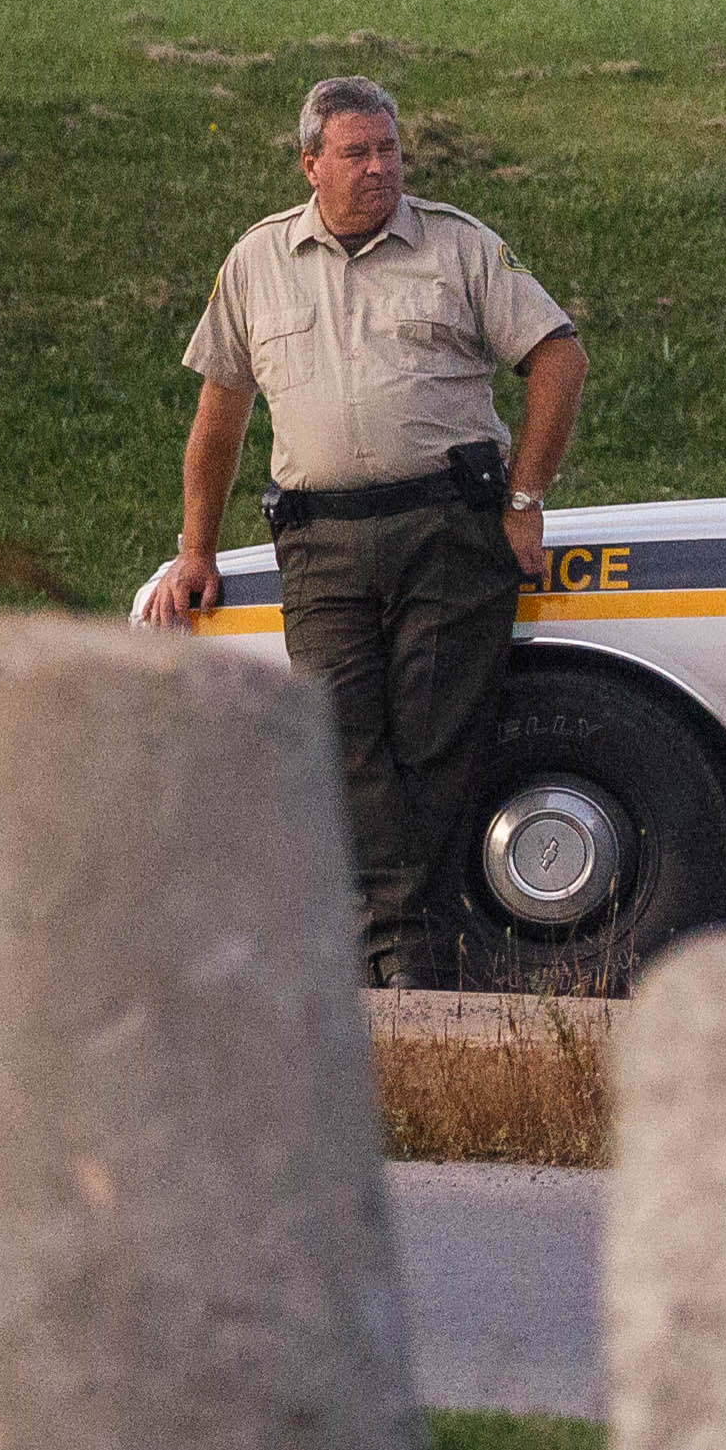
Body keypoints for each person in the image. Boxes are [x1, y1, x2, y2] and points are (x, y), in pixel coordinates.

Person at [143, 76, 586, 982]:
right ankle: (411, 951)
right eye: (357, 153)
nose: (379, 167)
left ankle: (395, 964)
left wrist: (526, 501)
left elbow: (559, 357)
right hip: (321, 543)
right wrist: (195, 549)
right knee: (340, 742)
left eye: (389, 149)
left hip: (449, 533)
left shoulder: (460, 246)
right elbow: (217, 421)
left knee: (434, 746)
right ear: (310, 164)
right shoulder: (258, 261)